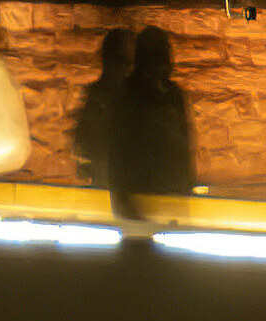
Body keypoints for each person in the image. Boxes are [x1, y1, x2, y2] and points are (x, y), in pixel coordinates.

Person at [72, 23, 198, 208]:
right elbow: (98, 148)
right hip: (130, 198)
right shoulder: (123, 95)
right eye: (120, 60)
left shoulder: (170, 95)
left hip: (164, 197)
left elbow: (181, 150)